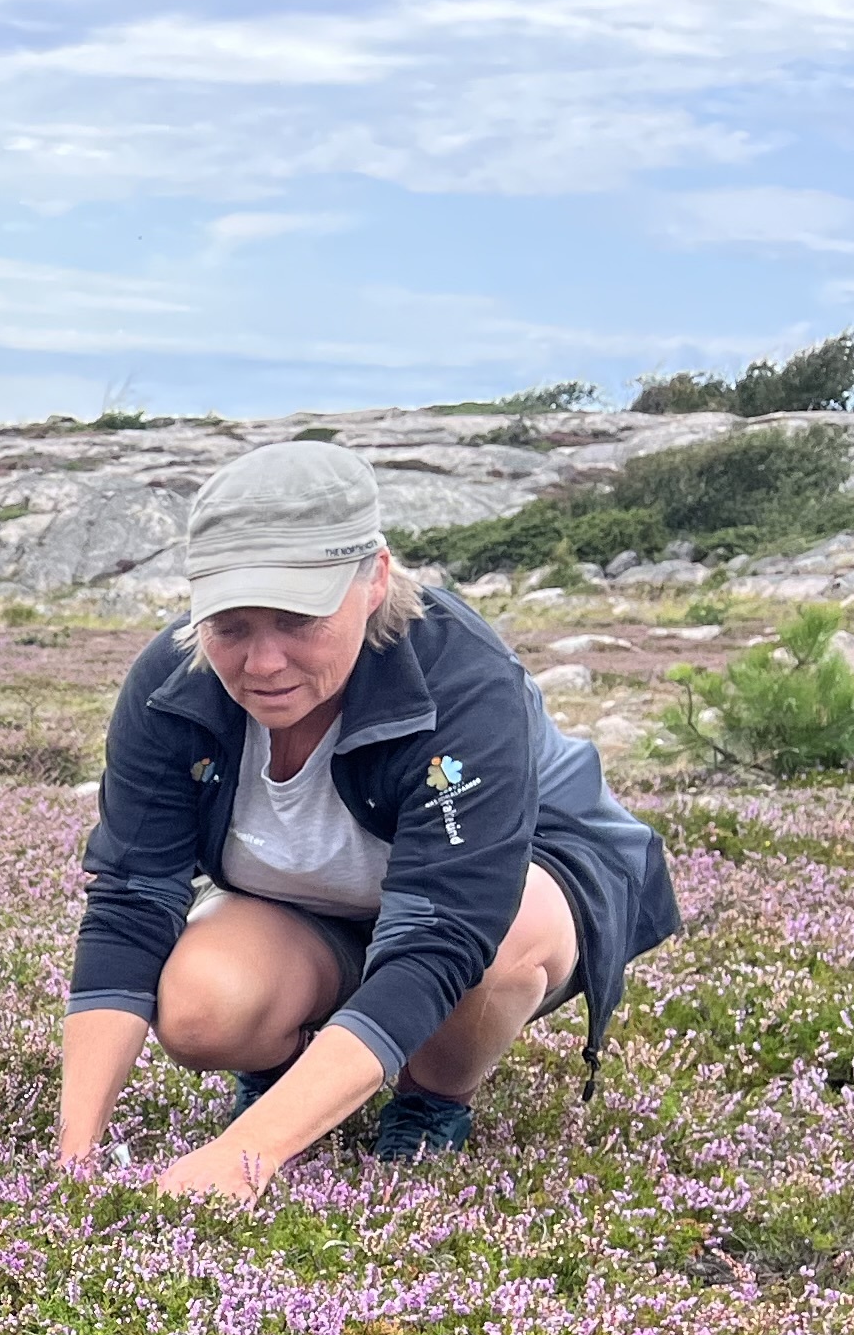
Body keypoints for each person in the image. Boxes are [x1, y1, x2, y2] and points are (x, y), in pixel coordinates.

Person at [58, 439, 678, 1195]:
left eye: (298, 619)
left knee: (500, 943)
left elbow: (442, 933)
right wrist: (75, 1159)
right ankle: (290, 1078)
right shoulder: (172, 684)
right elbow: (130, 898)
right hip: (316, 912)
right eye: (230, 624)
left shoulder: (467, 683)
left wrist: (243, 1158)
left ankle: (433, 1097)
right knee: (198, 1009)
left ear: (374, 579)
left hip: (505, 891)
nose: (262, 662)